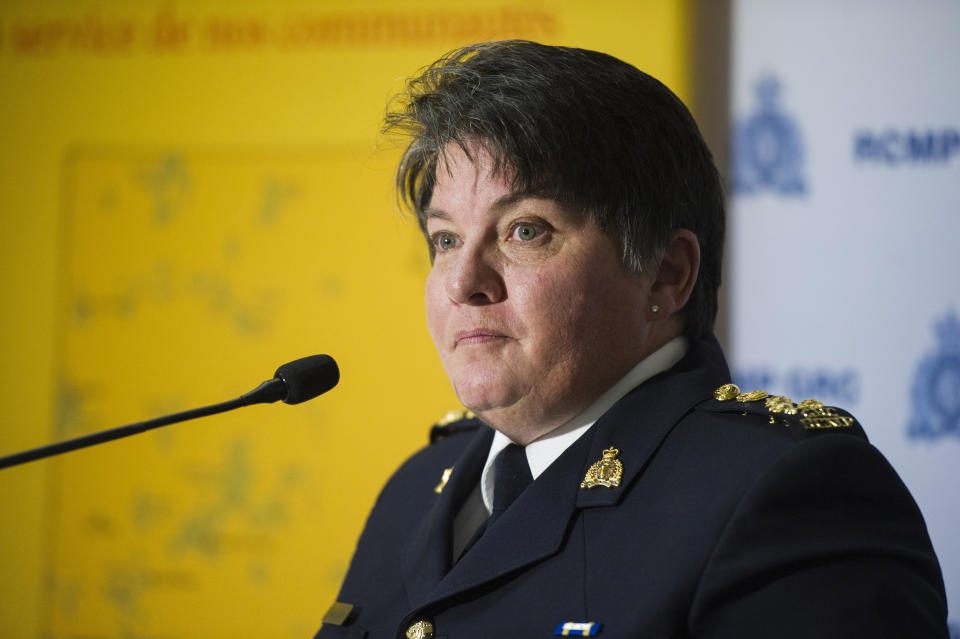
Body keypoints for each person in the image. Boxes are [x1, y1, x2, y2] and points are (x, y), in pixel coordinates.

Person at [315, 41, 949, 638]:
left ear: (666, 274)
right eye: (445, 239)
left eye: (525, 231)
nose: (463, 282)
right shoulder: (416, 488)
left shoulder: (788, 495)